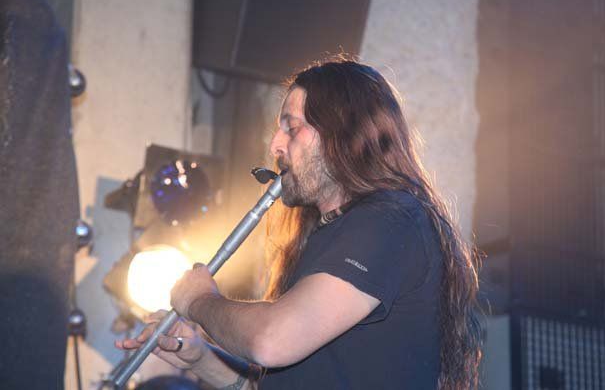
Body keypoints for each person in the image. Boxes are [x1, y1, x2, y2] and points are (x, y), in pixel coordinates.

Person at [116, 58, 482, 389]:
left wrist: (199, 300)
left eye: (291, 129)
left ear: (343, 134)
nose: (275, 145)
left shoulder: (391, 221)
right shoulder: (324, 235)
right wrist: (200, 357)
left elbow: (272, 341)